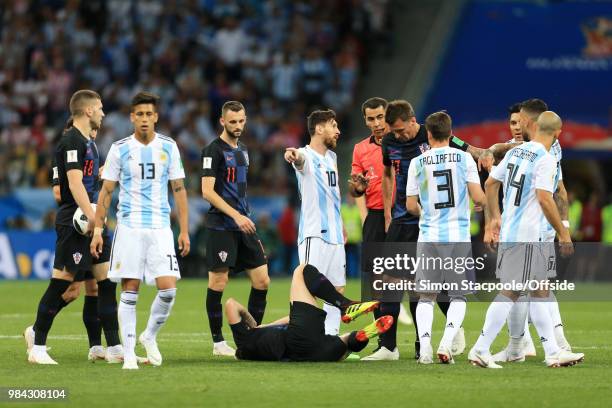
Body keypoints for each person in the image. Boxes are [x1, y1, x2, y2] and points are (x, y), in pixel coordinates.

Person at [469, 111, 584, 368]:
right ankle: (480, 348)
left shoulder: (514, 152)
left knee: (539, 290)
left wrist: (495, 218)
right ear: (557, 133)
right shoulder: (546, 159)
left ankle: (553, 351)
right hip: (529, 235)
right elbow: (545, 198)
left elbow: (490, 184)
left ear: (534, 127)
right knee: (511, 292)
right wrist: (564, 232)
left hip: (512, 231)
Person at [363, 100, 472, 361]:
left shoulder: (431, 134)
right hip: (402, 218)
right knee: (388, 280)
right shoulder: (389, 142)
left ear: (414, 121)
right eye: (394, 131)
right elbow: (388, 174)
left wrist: (488, 152)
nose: (398, 135)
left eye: (401, 130)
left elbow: (465, 149)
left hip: (430, 223)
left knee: (422, 287)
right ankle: (388, 348)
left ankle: (447, 331)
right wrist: (388, 212)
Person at [91, 92, 190, 369]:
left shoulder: (169, 147)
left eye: (149, 114)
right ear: (132, 117)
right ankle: (131, 354)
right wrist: (98, 229)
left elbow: (179, 189)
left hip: (160, 226)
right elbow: (106, 191)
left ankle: (149, 336)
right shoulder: (119, 149)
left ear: (156, 117)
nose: (145, 119)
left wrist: (184, 230)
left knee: (168, 290)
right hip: (130, 226)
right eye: (140, 114)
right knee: (130, 289)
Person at [26, 90, 121, 365]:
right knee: (62, 284)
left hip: (92, 220)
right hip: (75, 221)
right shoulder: (70, 141)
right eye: (100, 108)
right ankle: (38, 345)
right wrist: (92, 216)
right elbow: (74, 183)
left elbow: (87, 179)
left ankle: (113, 346)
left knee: (105, 281)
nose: (103, 113)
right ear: (88, 111)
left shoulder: (89, 143)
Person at [491, 99, 573, 362]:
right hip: (525, 229)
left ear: (533, 123)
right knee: (530, 289)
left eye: (521, 122)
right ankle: (532, 345)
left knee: (533, 288)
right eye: (513, 123)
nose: (517, 127)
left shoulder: (541, 150)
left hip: (534, 228)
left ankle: (545, 344)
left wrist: (564, 227)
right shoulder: (531, 149)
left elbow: (556, 191)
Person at [406, 111, 487, 364]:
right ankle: (446, 343)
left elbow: (410, 205)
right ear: (451, 134)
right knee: (458, 296)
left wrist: (425, 214)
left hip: (429, 236)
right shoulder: (464, 158)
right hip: (457, 236)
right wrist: (481, 203)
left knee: (426, 296)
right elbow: (478, 196)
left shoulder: (417, 162)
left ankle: (426, 349)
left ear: (428, 134)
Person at [201, 101, 270, 356]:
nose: (238, 126)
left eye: (241, 121)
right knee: (219, 281)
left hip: (244, 224)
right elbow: (207, 192)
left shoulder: (243, 150)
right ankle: (218, 342)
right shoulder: (212, 151)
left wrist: (244, 215)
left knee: (262, 280)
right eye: (232, 122)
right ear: (222, 121)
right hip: (221, 226)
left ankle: (254, 336)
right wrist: (235, 215)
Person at [225, 263, 392, 362]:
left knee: (345, 342)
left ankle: (359, 337)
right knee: (302, 270)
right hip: (298, 337)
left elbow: (292, 319)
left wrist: (264, 326)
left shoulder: (252, 346)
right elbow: (231, 304)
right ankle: (345, 305)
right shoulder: (243, 340)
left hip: (315, 353)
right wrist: (252, 322)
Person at [349, 97, 413, 325]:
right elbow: (355, 189)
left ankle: (418, 337)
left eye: (380, 117)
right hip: (376, 216)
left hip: (404, 214)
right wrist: (357, 188)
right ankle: (382, 339)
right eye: (371, 119)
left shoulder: (403, 140)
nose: (376, 123)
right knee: (376, 278)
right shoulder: (360, 149)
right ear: (365, 121)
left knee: (409, 275)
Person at [284, 109, 345, 336]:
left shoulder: (332, 157)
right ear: (319, 129)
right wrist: (293, 156)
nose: (338, 131)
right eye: (333, 125)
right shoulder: (305, 155)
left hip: (336, 235)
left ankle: (331, 339)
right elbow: (297, 160)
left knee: (336, 289)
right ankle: (307, 336)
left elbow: (333, 195)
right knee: (308, 287)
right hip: (315, 234)